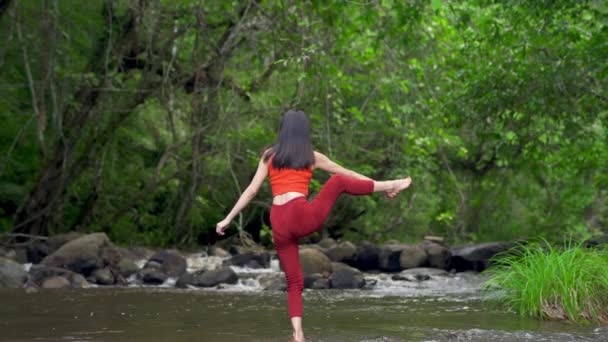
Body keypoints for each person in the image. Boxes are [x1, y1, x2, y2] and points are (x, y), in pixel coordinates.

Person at [215, 110, 412, 342]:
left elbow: (251, 190)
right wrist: (381, 186)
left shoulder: (269, 156)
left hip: (278, 220)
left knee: (294, 281)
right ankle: (391, 184)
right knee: (338, 181)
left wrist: (228, 218)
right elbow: (347, 175)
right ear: (304, 131)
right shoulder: (311, 156)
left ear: (283, 130)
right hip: (302, 217)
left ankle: (298, 334)